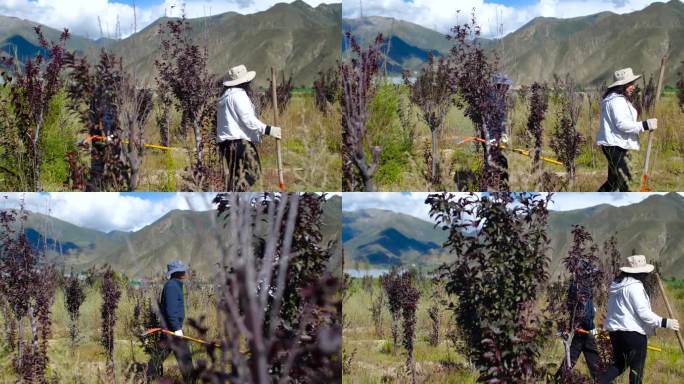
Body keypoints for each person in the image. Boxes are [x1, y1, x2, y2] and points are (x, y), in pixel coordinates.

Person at [599, 255, 680, 384]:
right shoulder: (635, 287)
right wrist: (665, 322)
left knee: (619, 365)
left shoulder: (616, 285)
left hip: (615, 334)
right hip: (633, 335)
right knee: (637, 370)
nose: (646, 276)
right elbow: (644, 313)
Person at [217, 64, 282, 191]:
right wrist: (269, 130)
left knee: (237, 176)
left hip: (226, 144)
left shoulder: (225, 97)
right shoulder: (238, 95)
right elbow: (248, 120)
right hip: (239, 143)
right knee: (253, 173)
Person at [596, 68, 657, 192]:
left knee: (613, 182)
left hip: (617, 144)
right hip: (615, 146)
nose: (633, 87)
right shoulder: (616, 101)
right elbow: (622, 124)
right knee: (626, 182)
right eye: (630, 84)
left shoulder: (619, 99)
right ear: (621, 86)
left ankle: (593, 204)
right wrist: (645, 125)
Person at [147, 260, 194, 381]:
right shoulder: (172, 286)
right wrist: (177, 329)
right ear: (177, 272)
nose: (184, 272)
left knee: (160, 356)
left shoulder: (175, 285)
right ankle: (191, 380)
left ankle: (148, 376)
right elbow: (171, 311)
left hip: (171, 329)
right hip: (171, 330)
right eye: (182, 270)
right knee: (185, 357)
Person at [555, 276, 601, 380]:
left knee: (570, 360)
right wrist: (593, 330)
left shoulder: (574, 285)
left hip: (577, 329)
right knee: (596, 367)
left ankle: (557, 380)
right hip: (585, 331)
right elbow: (587, 314)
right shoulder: (585, 287)